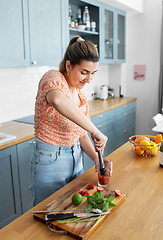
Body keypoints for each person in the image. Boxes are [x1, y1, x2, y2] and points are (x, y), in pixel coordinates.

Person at [30, 36, 113, 206]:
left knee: (73, 208)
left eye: (92, 73)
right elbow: (58, 100)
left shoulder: (81, 96)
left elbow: (81, 135)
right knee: (49, 212)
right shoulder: (53, 78)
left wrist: (97, 159)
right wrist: (95, 130)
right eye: (84, 72)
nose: (89, 79)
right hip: (50, 159)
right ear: (69, 66)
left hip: (76, 158)